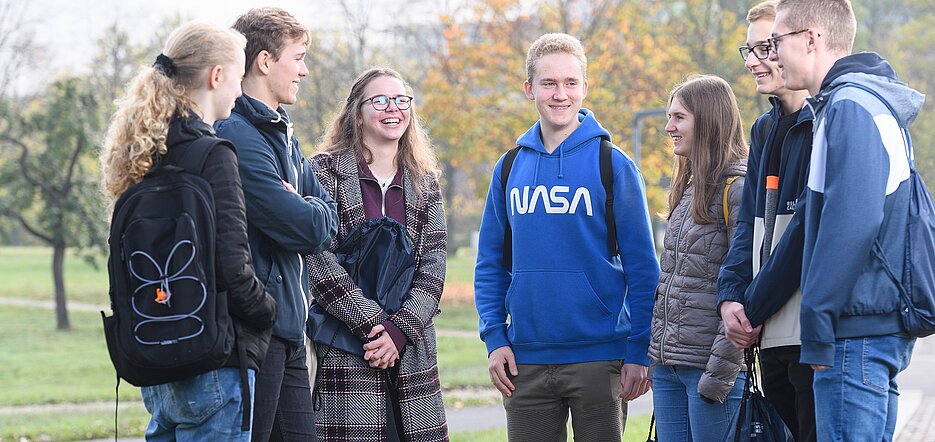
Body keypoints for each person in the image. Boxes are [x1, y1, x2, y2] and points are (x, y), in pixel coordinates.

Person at [473, 32, 659, 442]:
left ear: (585, 88)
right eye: (549, 83)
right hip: (525, 360)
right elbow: (490, 264)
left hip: (600, 357)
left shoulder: (614, 165)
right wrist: (494, 338)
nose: (561, 94)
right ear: (529, 89)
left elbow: (644, 268)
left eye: (571, 83)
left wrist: (638, 350)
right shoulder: (509, 168)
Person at [100, 22, 278, 440]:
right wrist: (267, 312)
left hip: (156, 359)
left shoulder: (143, 150)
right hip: (215, 361)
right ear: (217, 76)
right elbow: (233, 266)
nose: (239, 90)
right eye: (237, 77)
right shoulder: (213, 154)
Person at [769, 0, 924, 439]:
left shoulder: (849, 106)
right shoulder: (859, 102)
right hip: (865, 328)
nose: (773, 53)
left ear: (812, 38)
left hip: (853, 336)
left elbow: (851, 224)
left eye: (778, 40)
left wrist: (816, 324)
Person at [214, 7, 339, 442]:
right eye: (298, 57)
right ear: (265, 62)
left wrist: (306, 203)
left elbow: (329, 216)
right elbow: (304, 226)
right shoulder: (239, 136)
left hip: (287, 332)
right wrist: (305, 205)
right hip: (256, 334)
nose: (304, 71)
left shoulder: (280, 132)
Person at [306, 67, 449, 442]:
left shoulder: (423, 179)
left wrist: (399, 330)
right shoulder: (323, 172)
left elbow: (433, 265)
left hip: (411, 348)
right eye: (380, 100)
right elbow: (319, 259)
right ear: (357, 112)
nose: (394, 109)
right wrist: (374, 326)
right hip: (347, 347)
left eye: (402, 100)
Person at [716, 1, 816, 439]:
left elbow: (801, 237)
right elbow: (748, 229)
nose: (754, 62)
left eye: (766, 47)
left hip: (811, 337)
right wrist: (730, 297)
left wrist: (752, 306)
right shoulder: (764, 129)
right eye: (750, 50)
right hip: (767, 333)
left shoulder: (827, 122)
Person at [649, 74, 748, 442]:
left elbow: (744, 285)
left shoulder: (737, 189)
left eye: (678, 118)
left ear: (706, 121)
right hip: (669, 367)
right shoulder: (688, 190)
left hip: (709, 370)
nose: (668, 127)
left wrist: (719, 374)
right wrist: (654, 356)